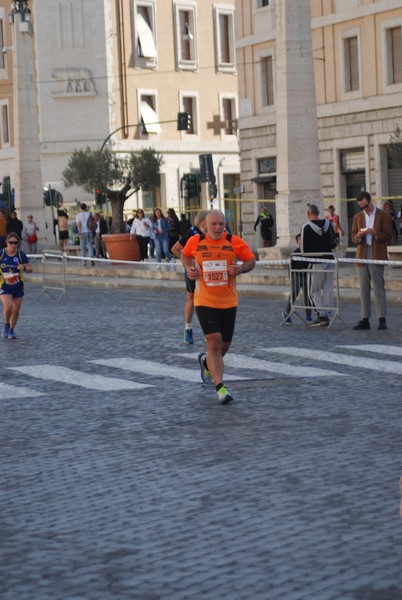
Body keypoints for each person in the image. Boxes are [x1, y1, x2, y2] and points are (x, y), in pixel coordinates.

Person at [181, 209, 255, 404]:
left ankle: (206, 362)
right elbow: (184, 254)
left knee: (224, 346)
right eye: (214, 224)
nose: (218, 228)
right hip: (204, 300)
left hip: (229, 301)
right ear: (205, 224)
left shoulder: (234, 241)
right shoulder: (195, 242)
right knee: (213, 342)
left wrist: (241, 268)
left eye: (221, 224)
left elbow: (250, 260)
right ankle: (220, 388)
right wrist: (189, 269)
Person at [351, 191, 392, 330]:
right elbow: (353, 237)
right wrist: (358, 236)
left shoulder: (383, 216)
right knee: (363, 288)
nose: (364, 209)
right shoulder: (357, 217)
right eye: (361, 207)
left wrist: (375, 234)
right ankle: (364, 318)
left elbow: (388, 236)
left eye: (366, 205)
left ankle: (382, 319)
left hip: (377, 253)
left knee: (378, 287)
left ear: (370, 201)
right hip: (361, 253)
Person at [171, 210, 209, 344]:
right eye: (208, 221)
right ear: (201, 221)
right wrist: (188, 262)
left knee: (208, 301)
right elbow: (175, 249)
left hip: (208, 272)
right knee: (191, 300)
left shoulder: (213, 233)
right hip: (193, 271)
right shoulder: (192, 233)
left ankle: (209, 331)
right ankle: (188, 328)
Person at [300, 203, 336, 327]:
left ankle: (321, 315)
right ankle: (328, 312)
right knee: (327, 288)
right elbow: (333, 243)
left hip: (316, 261)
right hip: (330, 259)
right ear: (318, 213)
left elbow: (303, 249)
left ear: (308, 214)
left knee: (313, 291)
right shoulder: (328, 224)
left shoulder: (306, 227)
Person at [0, 233, 33, 339]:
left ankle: (11, 329)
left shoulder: (20, 254)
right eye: (11, 243)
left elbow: (30, 269)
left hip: (17, 285)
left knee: (16, 310)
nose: (13, 245)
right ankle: (6, 324)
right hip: (4, 284)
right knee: (8, 306)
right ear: (6, 243)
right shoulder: (1, 254)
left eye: (15, 243)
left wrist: (23, 267)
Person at [282, 233, 313, 324]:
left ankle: (308, 315)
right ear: (297, 242)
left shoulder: (309, 253)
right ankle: (286, 313)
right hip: (297, 277)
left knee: (308, 296)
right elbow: (290, 267)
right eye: (300, 240)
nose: (302, 242)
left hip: (307, 277)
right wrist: (291, 278)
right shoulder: (294, 253)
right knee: (293, 296)